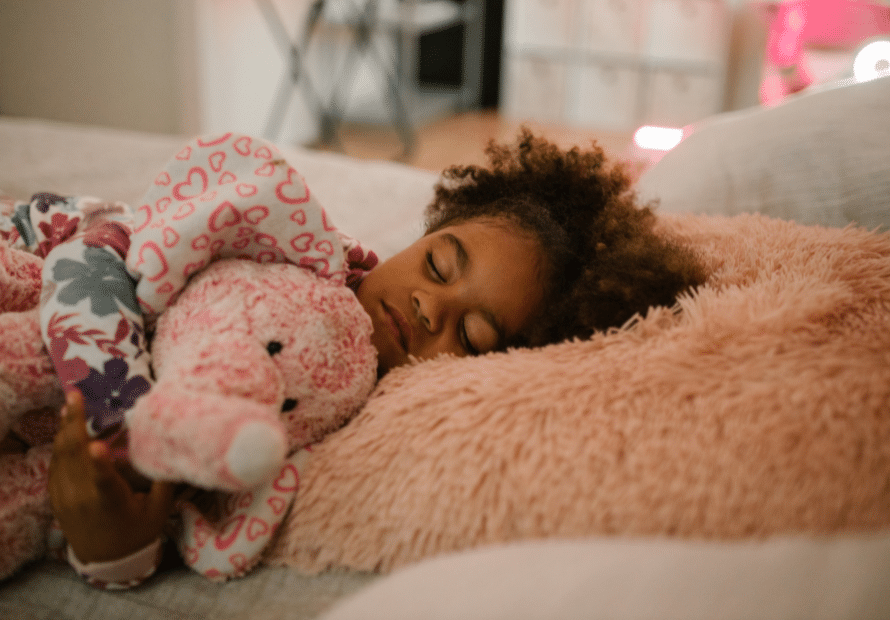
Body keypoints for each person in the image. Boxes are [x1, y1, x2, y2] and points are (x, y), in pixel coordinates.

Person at [36, 129, 706, 586]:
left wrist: (115, 552)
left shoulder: (339, 414)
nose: (427, 309)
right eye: (440, 263)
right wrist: (118, 399)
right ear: (429, 231)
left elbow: (205, 503)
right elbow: (124, 240)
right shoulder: (304, 248)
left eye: (471, 336)